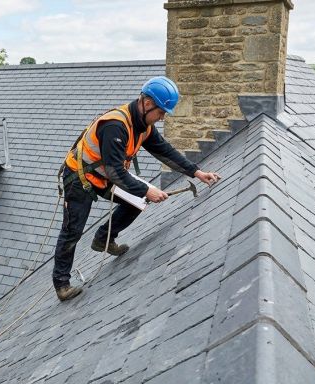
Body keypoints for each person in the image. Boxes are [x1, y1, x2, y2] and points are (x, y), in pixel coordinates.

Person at [53, 76, 221, 302]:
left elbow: (165, 152)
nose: (162, 118)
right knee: (73, 230)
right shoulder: (116, 126)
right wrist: (146, 190)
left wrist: (197, 172)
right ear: (147, 103)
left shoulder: (144, 127)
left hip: (104, 173)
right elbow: (115, 172)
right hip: (80, 177)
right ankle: (62, 284)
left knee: (137, 200)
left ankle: (103, 239)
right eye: (160, 112)